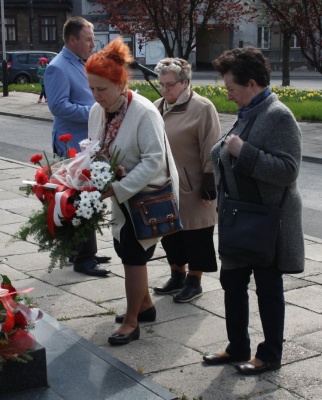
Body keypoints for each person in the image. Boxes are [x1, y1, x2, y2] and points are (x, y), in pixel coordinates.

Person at [203, 47, 305, 375]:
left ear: (251, 84)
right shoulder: (249, 111)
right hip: (238, 217)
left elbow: (288, 170)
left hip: (266, 222)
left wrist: (243, 152)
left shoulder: (278, 115)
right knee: (232, 282)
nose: (228, 94)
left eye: (231, 88)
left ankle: (270, 354)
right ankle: (238, 346)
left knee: (268, 289)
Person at [85, 37, 179, 345]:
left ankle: (131, 320)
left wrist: (119, 186)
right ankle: (147, 306)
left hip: (149, 195)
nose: (96, 95)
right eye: (92, 88)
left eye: (102, 89)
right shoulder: (98, 111)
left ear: (121, 83)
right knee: (125, 248)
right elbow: (96, 149)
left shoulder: (143, 112)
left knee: (133, 254)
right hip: (121, 195)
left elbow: (154, 160)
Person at [45, 16, 111, 277]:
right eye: (88, 39)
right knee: (81, 198)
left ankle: (85, 251)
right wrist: (96, 111)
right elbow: (58, 106)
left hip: (86, 143)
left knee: (87, 198)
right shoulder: (58, 67)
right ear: (72, 40)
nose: (93, 45)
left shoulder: (82, 62)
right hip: (71, 144)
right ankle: (83, 259)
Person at [151, 58, 220, 303]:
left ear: (185, 82)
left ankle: (194, 280)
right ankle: (177, 275)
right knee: (170, 234)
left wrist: (210, 184)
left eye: (170, 85)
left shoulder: (202, 107)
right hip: (164, 184)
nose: (165, 90)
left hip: (194, 186)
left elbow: (211, 146)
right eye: (162, 84)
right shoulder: (157, 106)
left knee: (196, 235)